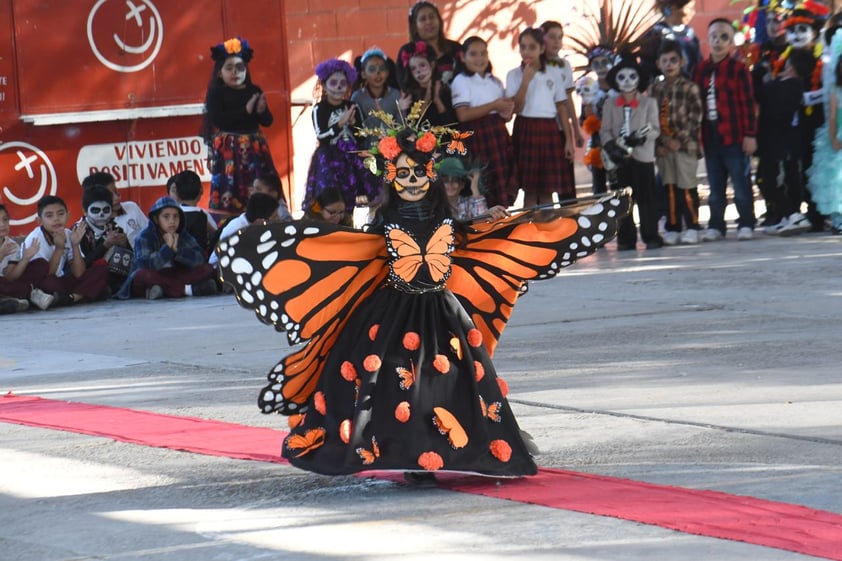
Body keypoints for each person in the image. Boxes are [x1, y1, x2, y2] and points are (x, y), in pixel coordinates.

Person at [216, 102, 630, 483]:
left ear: (431, 175)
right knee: (397, 385)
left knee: (445, 385)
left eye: (419, 173)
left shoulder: (449, 223)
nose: (412, 181)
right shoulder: (380, 227)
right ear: (391, 178)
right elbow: (347, 253)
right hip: (392, 314)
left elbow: (482, 235)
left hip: (442, 314)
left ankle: (455, 452)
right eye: (404, 173)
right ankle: (412, 459)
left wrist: (493, 217)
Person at [694, 18, 758, 241]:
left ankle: (746, 222)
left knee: (740, 183)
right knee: (715, 185)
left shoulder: (739, 69)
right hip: (710, 135)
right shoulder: (700, 69)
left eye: (724, 37)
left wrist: (750, 135)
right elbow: (696, 105)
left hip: (735, 135)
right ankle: (716, 225)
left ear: (731, 41)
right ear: (708, 39)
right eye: (714, 37)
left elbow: (748, 103)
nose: (718, 42)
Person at [201, 37, 276, 225]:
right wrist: (246, 110)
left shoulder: (254, 90)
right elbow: (219, 119)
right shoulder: (216, 93)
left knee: (259, 186)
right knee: (230, 190)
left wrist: (260, 111)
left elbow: (267, 121)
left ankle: (264, 220)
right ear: (220, 72)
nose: (235, 72)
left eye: (240, 67)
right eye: (229, 68)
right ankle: (231, 227)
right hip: (230, 152)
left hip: (255, 150)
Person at [506, 27, 576, 207]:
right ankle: (530, 233)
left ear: (541, 49)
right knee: (529, 191)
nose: (526, 52)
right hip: (525, 128)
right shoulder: (514, 74)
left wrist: (569, 139)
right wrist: (525, 82)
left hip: (549, 129)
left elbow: (562, 108)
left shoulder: (553, 73)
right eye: (523, 47)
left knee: (547, 192)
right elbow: (516, 108)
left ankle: (549, 233)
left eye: (532, 47)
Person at [602, 52, 662, 250]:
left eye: (632, 77)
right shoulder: (610, 104)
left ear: (639, 79)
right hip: (619, 159)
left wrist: (641, 137)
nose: (627, 82)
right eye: (622, 77)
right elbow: (605, 130)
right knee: (622, 202)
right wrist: (611, 146)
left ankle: (650, 236)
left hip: (642, 157)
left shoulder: (648, 103)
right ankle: (626, 239)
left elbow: (655, 128)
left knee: (647, 199)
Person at [451, 36, 517, 208]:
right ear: (463, 57)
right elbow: (463, 115)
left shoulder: (494, 81)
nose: (479, 58)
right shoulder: (461, 81)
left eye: (483, 53)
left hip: (498, 136)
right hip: (477, 139)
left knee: (501, 184)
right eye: (473, 54)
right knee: (482, 186)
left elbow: (504, 115)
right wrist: (494, 105)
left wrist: (506, 111)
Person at [303, 58, 372, 215]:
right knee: (329, 196)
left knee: (350, 196)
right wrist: (340, 124)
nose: (339, 87)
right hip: (328, 159)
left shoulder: (352, 106)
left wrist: (354, 124)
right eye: (334, 83)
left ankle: (348, 224)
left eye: (343, 83)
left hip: (350, 158)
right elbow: (322, 137)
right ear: (325, 86)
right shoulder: (319, 109)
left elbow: (362, 137)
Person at [13, 196, 109, 308]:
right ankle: (86, 293)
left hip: (61, 283)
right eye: (49, 216)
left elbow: (79, 273)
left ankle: (72, 298)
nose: (56, 219)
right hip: (44, 284)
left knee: (101, 271)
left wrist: (75, 245)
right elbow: (46, 274)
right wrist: (59, 249)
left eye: (60, 214)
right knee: (50, 282)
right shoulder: (35, 239)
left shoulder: (68, 234)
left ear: (68, 216)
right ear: (39, 221)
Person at [652, 39, 704, 245]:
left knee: (686, 187)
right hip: (664, 149)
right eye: (665, 61)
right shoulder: (655, 89)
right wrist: (660, 144)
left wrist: (678, 139)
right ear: (658, 64)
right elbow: (651, 118)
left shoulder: (690, 87)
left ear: (682, 62)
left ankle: (692, 225)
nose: (669, 65)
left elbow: (696, 117)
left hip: (685, 146)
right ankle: (672, 227)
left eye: (674, 60)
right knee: (669, 188)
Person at [759, 49, 814, 236]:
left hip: (780, 142)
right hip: (779, 141)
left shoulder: (791, 85)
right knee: (782, 180)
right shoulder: (787, 84)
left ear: (791, 67)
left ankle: (793, 214)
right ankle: (785, 216)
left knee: (771, 182)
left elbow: (775, 106)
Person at [118, 196, 216, 300]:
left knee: (207, 269)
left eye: (175, 216)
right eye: (166, 216)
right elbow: (144, 265)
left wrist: (177, 251)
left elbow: (200, 259)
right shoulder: (144, 236)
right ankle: (187, 290)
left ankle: (162, 290)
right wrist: (167, 250)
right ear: (156, 219)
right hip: (154, 275)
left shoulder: (182, 234)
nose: (172, 221)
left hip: (173, 276)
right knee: (142, 275)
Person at [209, 176, 291, 269]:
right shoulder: (239, 230)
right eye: (275, 217)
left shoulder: (252, 224)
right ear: (261, 221)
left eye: (258, 189)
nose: (278, 219)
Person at [807, 29, 842, 233]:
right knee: (836, 179)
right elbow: (832, 117)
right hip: (837, 136)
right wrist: (833, 138)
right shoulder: (835, 92)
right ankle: (837, 218)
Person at [75, 184, 132, 295]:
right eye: (96, 210)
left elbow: (130, 260)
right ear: (85, 211)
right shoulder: (77, 232)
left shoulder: (116, 228)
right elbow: (81, 266)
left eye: (106, 210)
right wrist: (105, 245)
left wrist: (125, 245)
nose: (101, 214)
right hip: (88, 277)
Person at [540, 21, 584, 151]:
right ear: (542, 38)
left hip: (561, 126)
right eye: (552, 37)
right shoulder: (534, 65)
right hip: (540, 126)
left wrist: (576, 130)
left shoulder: (564, 65)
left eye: (560, 37)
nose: (556, 41)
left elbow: (568, 99)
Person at [395, 1, 462, 88]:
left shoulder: (455, 48)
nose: (428, 22)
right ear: (415, 26)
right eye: (423, 19)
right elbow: (403, 84)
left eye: (432, 17)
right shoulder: (407, 52)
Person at [579, 46, 617, 195]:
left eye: (604, 62)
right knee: (599, 186)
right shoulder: (590, 91)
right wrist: (588, 115)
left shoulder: (619, 88)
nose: (601, 67)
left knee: (619, 185)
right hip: (598, 144)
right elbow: (583, 121)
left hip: (617, 143)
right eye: (596, 64)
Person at [398, 40, 456, 127]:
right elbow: (412, 128)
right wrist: (426, 101)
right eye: (413, 68)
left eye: (422, 65)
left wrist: (437, 100)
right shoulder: (409, 96)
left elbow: (451, 124)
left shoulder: (444, 89)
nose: (418, 71)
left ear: (432, 65)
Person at [82, 172, 147, 247]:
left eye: (116, 192)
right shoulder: (86, 228)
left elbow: (150, 234)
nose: (117, 198)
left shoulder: (131, 207)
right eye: (109, 196)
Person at [640, 0, 701, 79]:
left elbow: (698, 63)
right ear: (674, 8)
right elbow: (647, 69)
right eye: (690, 8)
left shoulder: (690, 33)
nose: (693, 12)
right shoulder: (654, 35)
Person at [438, 156, 508, 221]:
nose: (450, 184)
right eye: (445, 180)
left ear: (462, 184)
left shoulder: (469, 201)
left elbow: (482, 221)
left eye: (455, 180)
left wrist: (474, 188)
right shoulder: (435, 204)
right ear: (440, 184)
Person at [168, 170, 218, 257]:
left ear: (177, 193)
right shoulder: (203, 215)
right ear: (201, 191)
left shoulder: (169, 215)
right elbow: (216, 236)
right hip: (198, 265)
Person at [0, 204, 36, 313]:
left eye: (5, 219)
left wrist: (25, 259)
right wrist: (1, 254)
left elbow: (10, 277)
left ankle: (7, 302)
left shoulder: (12, 245)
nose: (2, 224)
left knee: (39, 265)